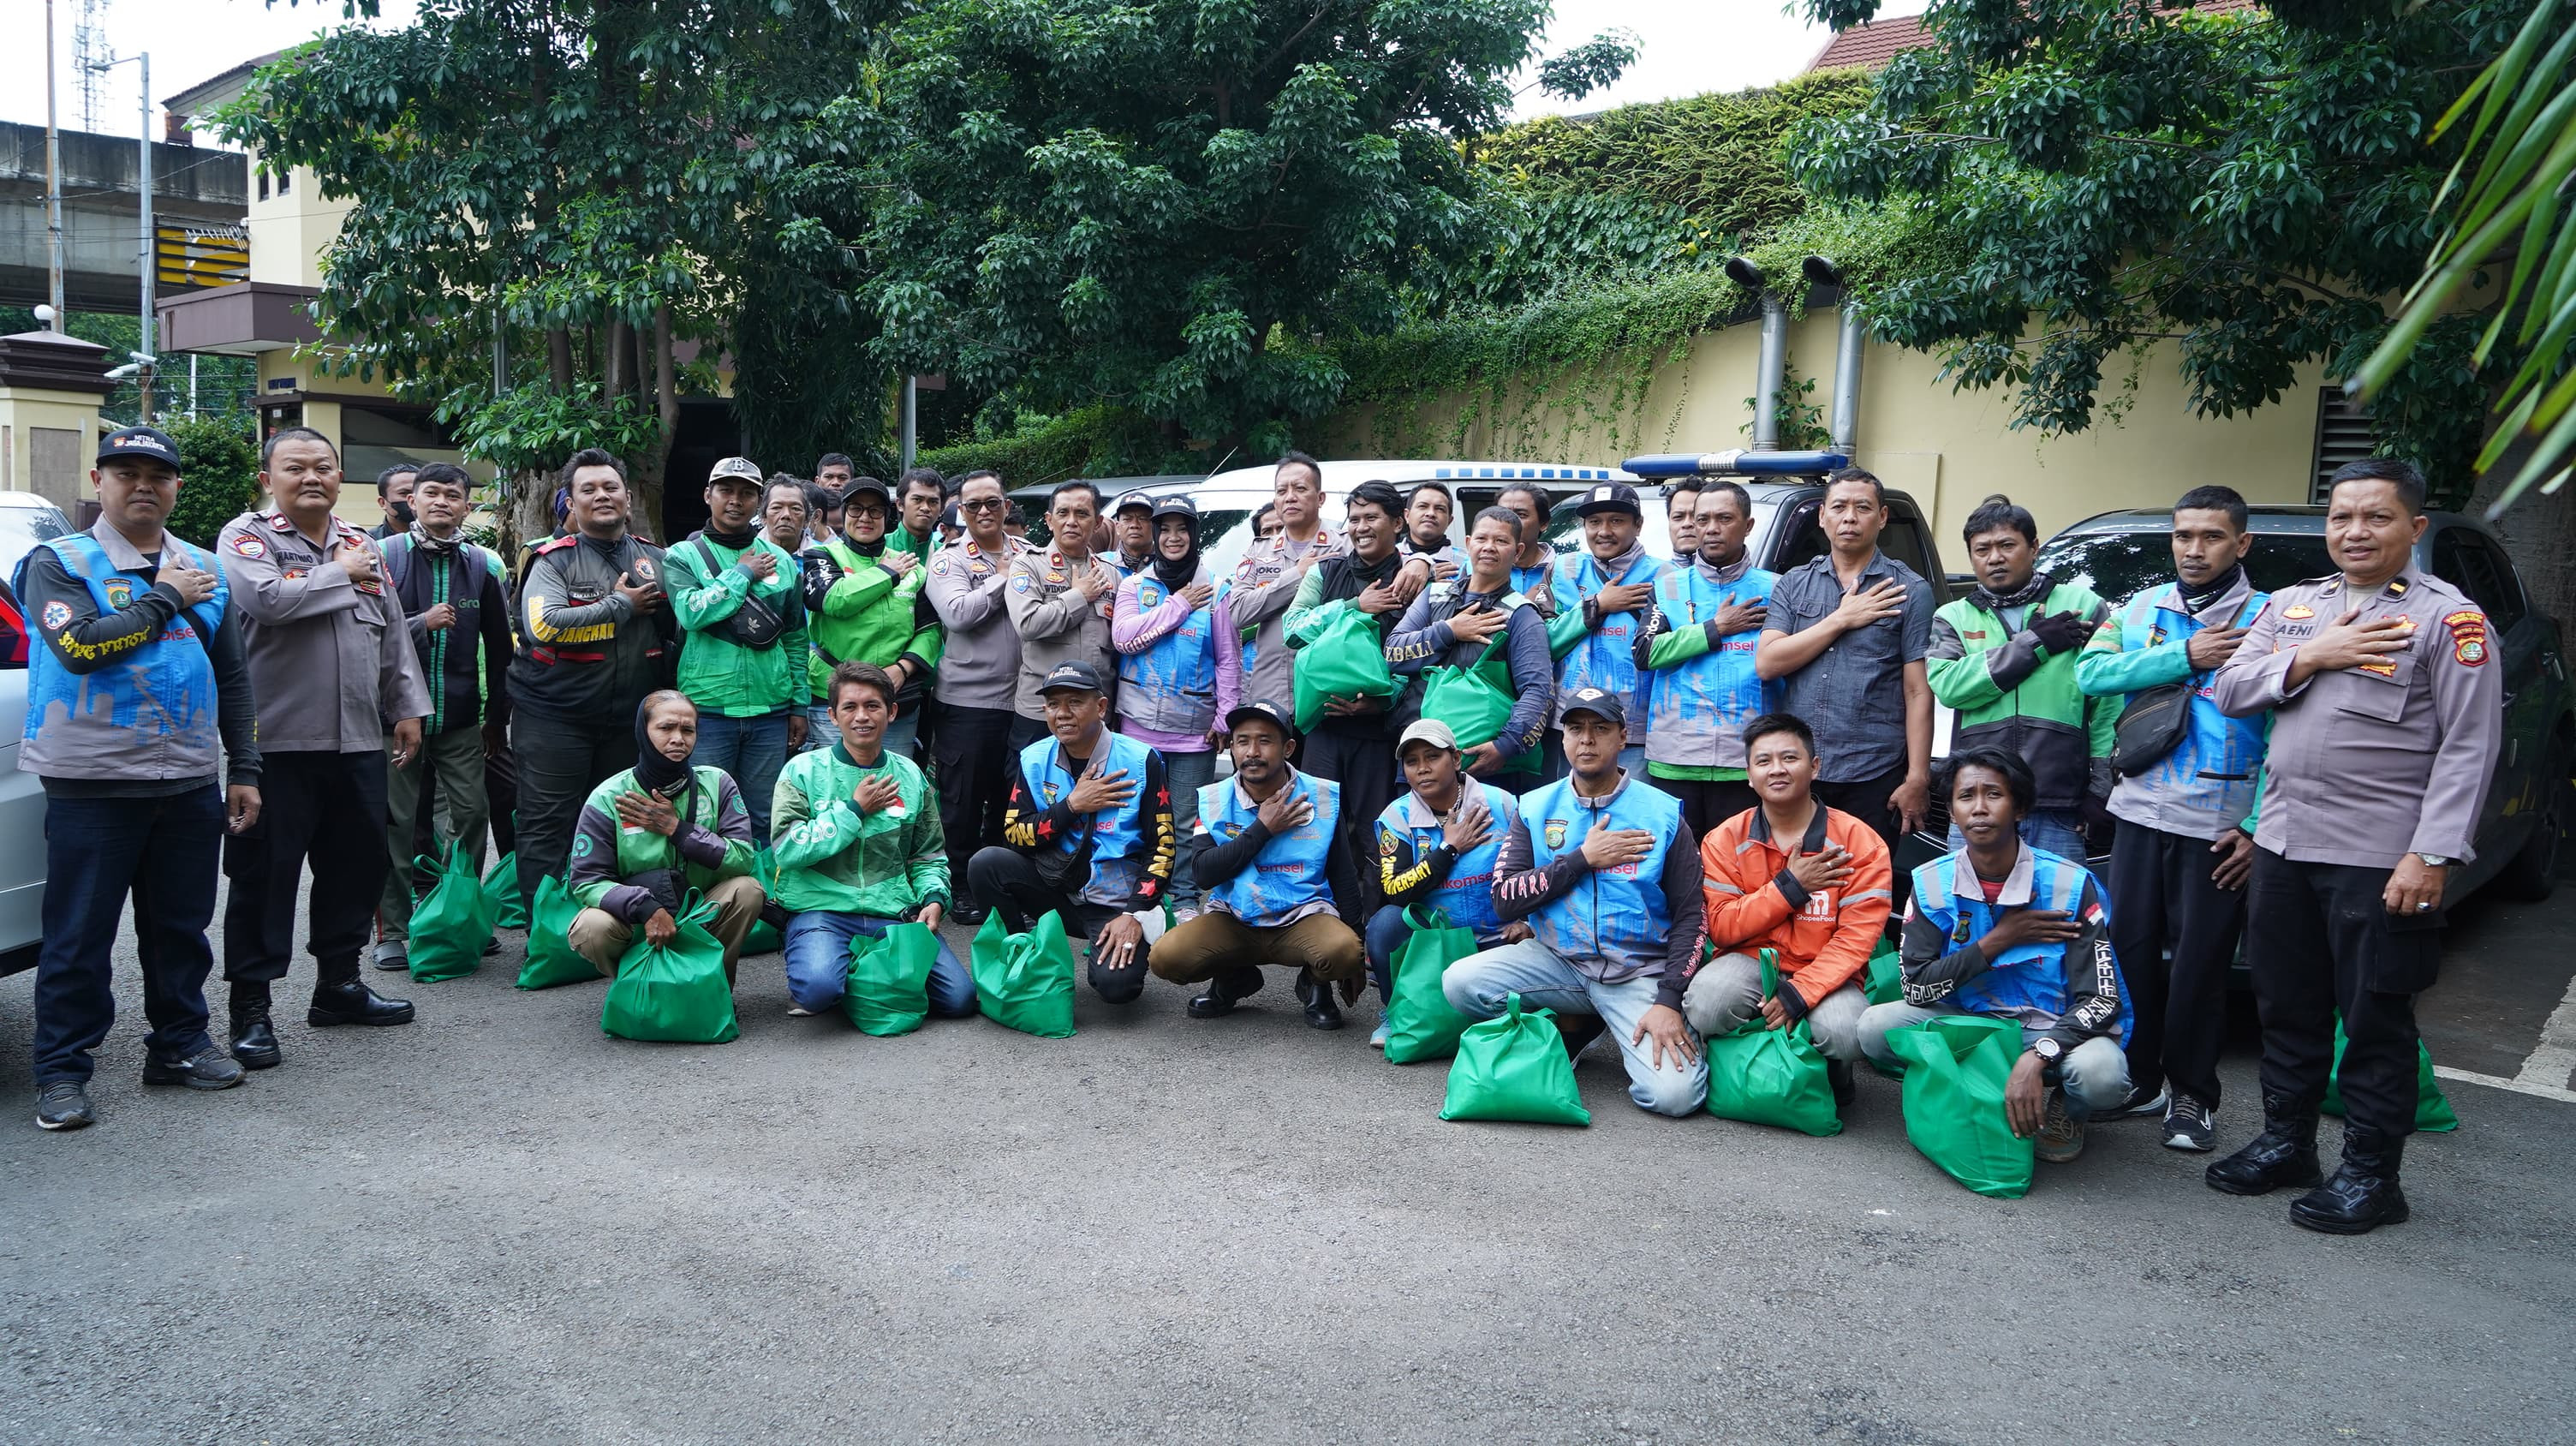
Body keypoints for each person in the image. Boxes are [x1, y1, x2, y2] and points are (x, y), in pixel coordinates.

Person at [2205, 457, 2502, 1234]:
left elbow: (2471, 746)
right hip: (2284, 845)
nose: (2355, 531)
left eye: (2375, 517)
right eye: (2342, 517)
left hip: (2381, 858)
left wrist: (2432, 853)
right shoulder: (2296, 607)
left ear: (2415, 527)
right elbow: (2231, 690)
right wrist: (2313, 656)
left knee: (2374, 1018)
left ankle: (2373, 1176)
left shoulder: (2451, 620)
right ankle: (2287, 1143)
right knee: (2287, 1005)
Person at [21, 425, 261, 1130]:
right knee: (78, 936)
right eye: (125, 473)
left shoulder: (202, 564)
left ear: (176, 487)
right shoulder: (60, 561)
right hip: (91, 781)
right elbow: (79, 648)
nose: (143, 485)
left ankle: (180, 1044)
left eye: (157, 474)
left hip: (187, 778)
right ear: (99, 482)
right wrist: (165, 598)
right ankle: (62, 1070)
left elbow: (234, 676)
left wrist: (242, 768)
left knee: (181, 928)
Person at [217, 427, 432, 1068]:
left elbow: (392, 633)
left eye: (324, 466)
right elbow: (266, 600)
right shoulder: (246, 538)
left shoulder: (361, 541)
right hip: (276, 745)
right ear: (268, 479)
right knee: (264, 879)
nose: (312, 477)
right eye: (295, 467)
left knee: (355, 867)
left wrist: (408, 709)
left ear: (340, 477)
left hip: (359, 740)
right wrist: (336, 572)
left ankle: (338, 987)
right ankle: (251, 1010)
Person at [2075, 483, 2268, 1153]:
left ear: (2240, 544)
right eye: (2184, 535)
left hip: (2220, 823)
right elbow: (2091, 675)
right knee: (2127, 952)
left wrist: (2257, 825)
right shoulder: (2140, 608)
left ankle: (2193, 1095)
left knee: (2200, 967)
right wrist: (2186, 656)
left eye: (2211, 536)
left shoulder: (2273, 618)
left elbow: (2292, 734)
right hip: (2139, 810)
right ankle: (2142, 1076)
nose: (2194, 548)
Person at [1858, 749, 2132, 1163]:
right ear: (1951, 812)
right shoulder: (1933, 881)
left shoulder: (2070, 884)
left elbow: (2102, 1000)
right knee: (1875, 1028)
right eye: (1966, 796)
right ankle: (1961, 1083)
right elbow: (1915, 988)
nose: (1979, 808)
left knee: (2103, 1076)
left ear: (2020, 808)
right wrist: (1996, 942)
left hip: (2051, 1028)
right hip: (1971, 1023)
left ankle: (2067, 1109)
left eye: (1994, 795)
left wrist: (2038, 1056)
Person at [1443, 688, 1707, 1115]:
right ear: (1562, 739)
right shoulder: (1535, 806)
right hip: (1558, 961)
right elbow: (1504, 900)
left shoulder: (1660, 812)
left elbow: (1692, 915)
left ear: (1623, 737)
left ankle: (1602, 1021)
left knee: (1675, 1098)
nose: (1587, 740)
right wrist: (1582, 859)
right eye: (1576, 729)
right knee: (1460, 982)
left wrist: (1669, 1001)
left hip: (1635, 973)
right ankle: (1567, 1025)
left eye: (1600, 729)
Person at [1686, 713, 1891, 1091]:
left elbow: (1856, 940)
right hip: (1749, 960)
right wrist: (1789, 887)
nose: (1777, 770)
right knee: (1707, 1004)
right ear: (1749, 775)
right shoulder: (1724, 839)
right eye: (1763, 761)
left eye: (1790, 758)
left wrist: (1802, 992)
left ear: (1814, 767)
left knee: (1848, 1032)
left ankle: (1830, 1071)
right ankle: (1738, 1063)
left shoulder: (1860, 842)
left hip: (1826, 970)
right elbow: (1722, 927)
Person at [510, 448, 678, 905]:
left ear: (627, 496)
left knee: (623, 823)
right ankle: (545, 933)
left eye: (610, 487)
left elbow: (678, 631)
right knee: (547, 825)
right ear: (570, 500)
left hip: (628, 721)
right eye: (589, 489)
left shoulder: (656, 559)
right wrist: (622, 606)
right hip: (553, 718)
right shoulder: (551, 559)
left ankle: (617, 923)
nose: (601, 495)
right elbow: (542, 626)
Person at [1148, 700, 1369, 1028]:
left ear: (1288, 747)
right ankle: (1234, 980)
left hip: (1303, 916)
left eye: (1265, 740)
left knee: (1344, 951)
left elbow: (1342, 873)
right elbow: (1203, 873)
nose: (1252, 751)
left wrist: (1356, 952)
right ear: (1233, 748)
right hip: (1235, 918)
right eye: (1242, 741)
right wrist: (1262, 830)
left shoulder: (1321, 796)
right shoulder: (1213, 798)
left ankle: (1315, 984)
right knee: (1167, 958)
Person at [373, 462, 513, 973]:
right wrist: (420, 623)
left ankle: (458, 913)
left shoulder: (480, 566)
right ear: (412, 500)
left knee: (473, 815)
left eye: (452, 495)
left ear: (466, 506)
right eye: (430, 493)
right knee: (396, 823)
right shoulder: (384, 556)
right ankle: (393, 929)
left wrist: (496, 717)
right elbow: (366, 634)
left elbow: (500, 648)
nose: (440, 502)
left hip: (458, 720)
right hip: (394, 720)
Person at [772, 661, 971, 1019]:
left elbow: (928, 855)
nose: (861, 716)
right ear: (832, 716)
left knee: (959, 1000)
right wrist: (853, 811)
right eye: (850, 707)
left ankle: (860, 973)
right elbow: (788, 850)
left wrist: (934, 899)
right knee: (818, 992)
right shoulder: (801, 771)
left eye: (872, 706)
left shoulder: (910, 774)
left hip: (891, 912)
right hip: (822, 910)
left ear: (891, 712)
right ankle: (839, 965)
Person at [969, 660, 1174, 1003]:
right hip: (1055, 888)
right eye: (1053, 704)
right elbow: (1014, 835)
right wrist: (1071, 806)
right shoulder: (1034, 758)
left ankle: (1136, 933)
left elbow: (1163, 847)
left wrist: (1134, 913)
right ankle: (1023, 958)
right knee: (986, 863)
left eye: (1075, 702)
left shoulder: (1142, 760)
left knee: (1117, 988)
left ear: (1102, 707)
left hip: (1115, 904)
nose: (1062, 714)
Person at [1756, 467, 1935, 856]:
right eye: (1839, 507)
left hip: (1873, 771)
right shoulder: (1793, 582)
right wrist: (1841, 619)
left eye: (1862, 507)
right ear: (1823, 516)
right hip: (1800, 770)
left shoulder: (1910, 591)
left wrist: (1918, 777)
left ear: (1882, 517)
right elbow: (1768, 663)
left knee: (1863, 889)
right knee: (1795, 884)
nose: (1849, 517)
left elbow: (1918, 690)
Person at [1926, 495, 2114, 863]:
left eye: (2007, 545)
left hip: (2057, 800)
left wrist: (2102, 786)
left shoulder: (2084, 606)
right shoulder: (1952, 616)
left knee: (2057, 913)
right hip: (1978, 799)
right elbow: (1949, 687)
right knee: (1970, 910)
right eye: (1982, 549)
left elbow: (2107, 702)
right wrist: (2037, 643)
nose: (1995, 558)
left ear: (2034, 547)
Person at [1282, 479, 1432, 929]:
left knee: (1377, 838)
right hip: (1322, 728)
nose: (1361, 527)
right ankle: (1312, 925)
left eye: (1372, 518)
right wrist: (1353, 606)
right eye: (1354, 519)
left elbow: (1428, 660)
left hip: (1380, 734)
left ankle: (1372, 933)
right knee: (1315, 832)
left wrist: (1381, 704)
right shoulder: (1324, 574)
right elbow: (1293, 628)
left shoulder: (1416, 578)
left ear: (1398, 522)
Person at [564, 692, 767, 982]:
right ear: (642, 732)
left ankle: (714, 986)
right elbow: (587, 880)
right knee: (590, 927)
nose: (678, 738)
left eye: (688, 729)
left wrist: (679, 830)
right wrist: (645, 907)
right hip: (636, 918)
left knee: (747, 890)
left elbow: (743, 859)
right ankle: (635, 988)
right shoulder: (608, 797)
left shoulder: (718, 783)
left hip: (700, 911)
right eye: (665, 728)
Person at [662, 456, 809, 844]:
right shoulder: (681, 556)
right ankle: (713, 900)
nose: (735, 500)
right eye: (726, 490)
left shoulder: (783, 562)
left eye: (747, 493)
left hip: (770, 710)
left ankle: (762, 898)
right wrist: (742, 573)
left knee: (765, 815)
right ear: (707, 495)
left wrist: (799, 704)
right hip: (708, 710)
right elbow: (692, 613)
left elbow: (795, 636)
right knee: (705, 814)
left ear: (757, 503)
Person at [1363, 720, 1530, 1048]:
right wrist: (1448, 849)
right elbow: (1395, 890)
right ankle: (1396, 1012)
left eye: (1432, 757)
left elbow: (1538, 868)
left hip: (1499, 936)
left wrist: (1528, 920)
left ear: (1455, 759)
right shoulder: (1395, 817)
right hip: (1435, 944)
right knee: (1384, 925)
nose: (1422, 769)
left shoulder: (1504, 804)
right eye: (1412, 762)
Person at [1635, 480, 1778, 839]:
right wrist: (1714, 629)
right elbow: (1645, 652)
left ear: (1748, 525)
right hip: (1675, 758)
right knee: (1677, 869)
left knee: (1740, 867)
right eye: (1703, 520)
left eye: (1724, 518)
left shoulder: (1777, 588)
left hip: (1746, 760)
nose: (1711, 529)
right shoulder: (1668, 586)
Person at [925, 469, 1031, 923]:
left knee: (1011, 801)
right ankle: (961, 886)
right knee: (962, 803)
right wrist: (1002, 578)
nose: (985, 512)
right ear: (961, 511)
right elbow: (957, 613)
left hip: (1023, 701)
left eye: (993, 503)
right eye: (974, 506)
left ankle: (1003, 885)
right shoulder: (949, 560)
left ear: (1006, 506)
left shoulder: (1030, 552)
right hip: (967, 704)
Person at [1383, 504, 1553, 780]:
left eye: (1501, 541)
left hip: (1480, 762)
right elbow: (1392, 654)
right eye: (1482, 539)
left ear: (1518, 551)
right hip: (1418, 755)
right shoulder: (1433, 595)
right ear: (1468, 543)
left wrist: (1505, 746)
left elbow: (1538, 690)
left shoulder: (1520, 614)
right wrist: (1449, 631)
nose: (1489, 547)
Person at [1111, 496, 1222, 916]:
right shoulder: (1134, 587)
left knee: (1185, 821)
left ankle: (1186, 899)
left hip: (1195, 728)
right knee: (1139, 818)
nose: (1173, 538)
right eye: (1165, 530)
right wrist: (1179, 605)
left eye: (1182, 529)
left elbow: (1228, 657)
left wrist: (1226, 714)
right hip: (1138, 725)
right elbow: (1124, 639)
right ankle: (1137, 900)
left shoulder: (1217, 588)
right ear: (1155, 536)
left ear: (1194, 535)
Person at [800, 475, 943, 763]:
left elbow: (930, 629)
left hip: (895, 700)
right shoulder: (822, 555)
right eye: (856, 509)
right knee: (832, 786)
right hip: (832, 697)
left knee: (892, 786)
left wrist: (902, 669)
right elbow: (831, 599)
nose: (866, 517)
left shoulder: (911, 567)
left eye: (875, 510)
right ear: (843, 512)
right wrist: (887, 574)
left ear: (887, 516)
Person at [1541, 481, 1661, 780]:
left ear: (1638, 525)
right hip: (1571, 723)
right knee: (1570, 817)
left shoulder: (1666, 575)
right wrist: (1598, 605)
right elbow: (1543, 643)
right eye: (1594, 522)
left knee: (1629, 817)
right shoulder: (1562, 570)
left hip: (1635, 728)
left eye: (1616, 521)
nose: (1604, 531)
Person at [1221, 453, 1345, 726]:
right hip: (1271, 698)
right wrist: (1296, 575)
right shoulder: (1258, 551)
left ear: (1320, 497)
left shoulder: (1344, 548)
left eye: (1300, 489)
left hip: (1328, 697)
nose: (1290, 497)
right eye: (1282, 491)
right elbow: (1238, 612)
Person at [1005, 481, 1118, 750]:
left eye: (1082, 514)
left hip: (1094, 712)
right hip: (1041, 710)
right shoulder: (1028, 564)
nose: (1071, 522)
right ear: (1049, 520)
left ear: (1098, 522)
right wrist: (1079, 596)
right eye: (1063, 513)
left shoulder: (1111, 573)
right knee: (1033, 788)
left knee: (1094, 788)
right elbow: (1028, 623)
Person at [1494, 482, 1559, 616]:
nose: (1509, 522)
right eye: (1502, 514)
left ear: (1544, 523)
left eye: (1521, 515)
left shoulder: (1562, 571)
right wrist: (1524, 604)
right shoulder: (1475, 567)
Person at [1400, 481, 1464, 579]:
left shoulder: (1465, 563)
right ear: (1407, 515)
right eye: (1422, 506)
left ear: (1449, 521)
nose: (1430, 513)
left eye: (1440, 509)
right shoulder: (1389, 558)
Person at [1105, 489, 1157, 579]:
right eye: (1127, 519)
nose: (1135, 525)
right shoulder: (1103, 564)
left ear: (1155, 527)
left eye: (1143, 518)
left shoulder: (1167, 565)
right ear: (1118, 527)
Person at [368, 462, 420, 541]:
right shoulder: (369, 542)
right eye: (404, 493)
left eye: (418, 492)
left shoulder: (443, 540)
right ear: (382, 503)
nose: (412, 499)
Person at [1662, 478, 1703, 570]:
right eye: (1678, 517)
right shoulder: (1651, 578)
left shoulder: (1734, 576)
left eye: (1697, 516)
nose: (1687, 524)